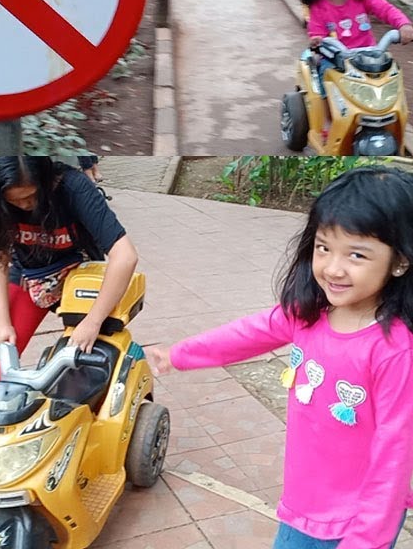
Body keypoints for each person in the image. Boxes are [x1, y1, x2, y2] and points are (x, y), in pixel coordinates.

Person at [147, 167, 413, 548]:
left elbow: (395, 453)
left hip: (357, 521)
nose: (333, 268)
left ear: (399, 262)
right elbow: (248, 333)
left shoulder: (394, 351)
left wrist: (365, 540)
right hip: (302, 502)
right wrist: (181, 354)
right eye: (324, 247)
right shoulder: (309, 313)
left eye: (356, 254)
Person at [0, 156, 138, 385]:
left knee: (89, 358)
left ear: (47, 180)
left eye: (32, 197)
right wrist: (1, 322)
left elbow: (125, 256)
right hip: (29, 274)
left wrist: (92, 322)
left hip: (79, 272)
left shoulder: (74, 186)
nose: (25, 206)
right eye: (15, 201)